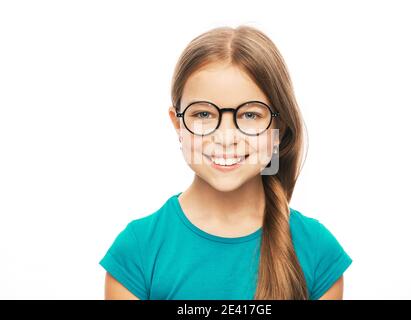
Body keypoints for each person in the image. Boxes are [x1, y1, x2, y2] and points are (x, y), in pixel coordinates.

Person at [99, 25, 352, 300]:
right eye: (204, 114)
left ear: (278, 127)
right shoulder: (137, 250)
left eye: (251, 115)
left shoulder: (317, 250)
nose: (226, 137)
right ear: (177, 124)